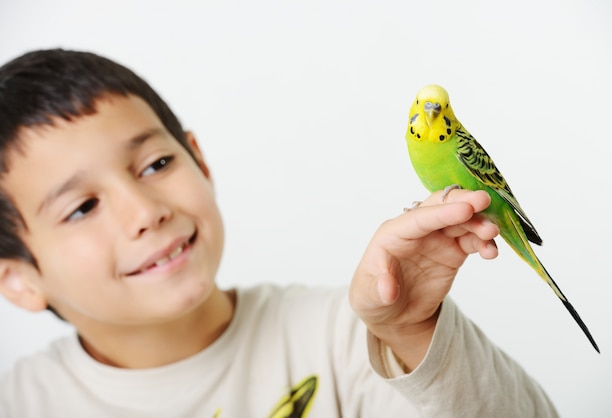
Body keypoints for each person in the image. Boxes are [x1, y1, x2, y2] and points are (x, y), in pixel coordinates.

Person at [0, 49, 558, 417]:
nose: (144, 211)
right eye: (83, 207)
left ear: (199, 160)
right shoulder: (21, 402)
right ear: (20, 281)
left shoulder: (351, 338)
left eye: (154, 166)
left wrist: (411, 334)